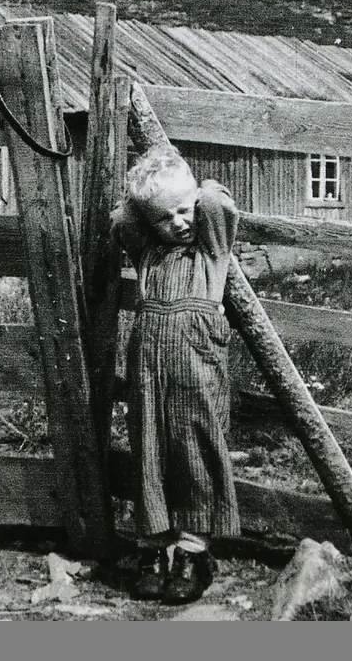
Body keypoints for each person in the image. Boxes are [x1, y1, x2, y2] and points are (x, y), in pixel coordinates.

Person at [111, 145, 240, 604]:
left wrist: (189, 194)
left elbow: (217, 202)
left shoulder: (210, 248)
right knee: (149, 448)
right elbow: (122, 217)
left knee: (197, 450)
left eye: (185, 212)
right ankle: (153, 549)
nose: (179, 223)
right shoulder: (148, 248)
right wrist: (153, 202)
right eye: (166, 218)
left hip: (196, 366)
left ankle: (193, 552)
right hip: (148, 367)